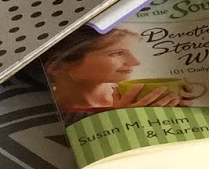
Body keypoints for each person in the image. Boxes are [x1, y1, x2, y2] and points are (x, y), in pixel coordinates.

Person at [43, 28, 187, 114]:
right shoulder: (51, 116)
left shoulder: (141, 97)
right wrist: (121, 120)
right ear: (58, 65)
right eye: (117, 53)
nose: (135, 62)